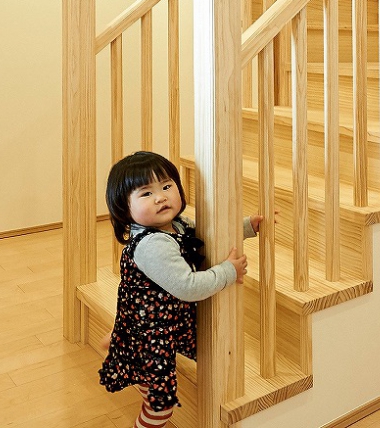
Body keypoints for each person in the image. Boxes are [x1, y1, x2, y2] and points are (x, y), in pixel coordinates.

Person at [98, 151, 262, 428]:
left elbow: (208, 234)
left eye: (166, 186)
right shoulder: (152, 245)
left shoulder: (177, 225)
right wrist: (227, 272)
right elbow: (188, 287)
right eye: (146, 193)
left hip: (158, 320)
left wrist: (246, 227)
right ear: (124, 208)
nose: (160, 197)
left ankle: (119, 340)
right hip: (149, 339)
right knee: (159, 408)